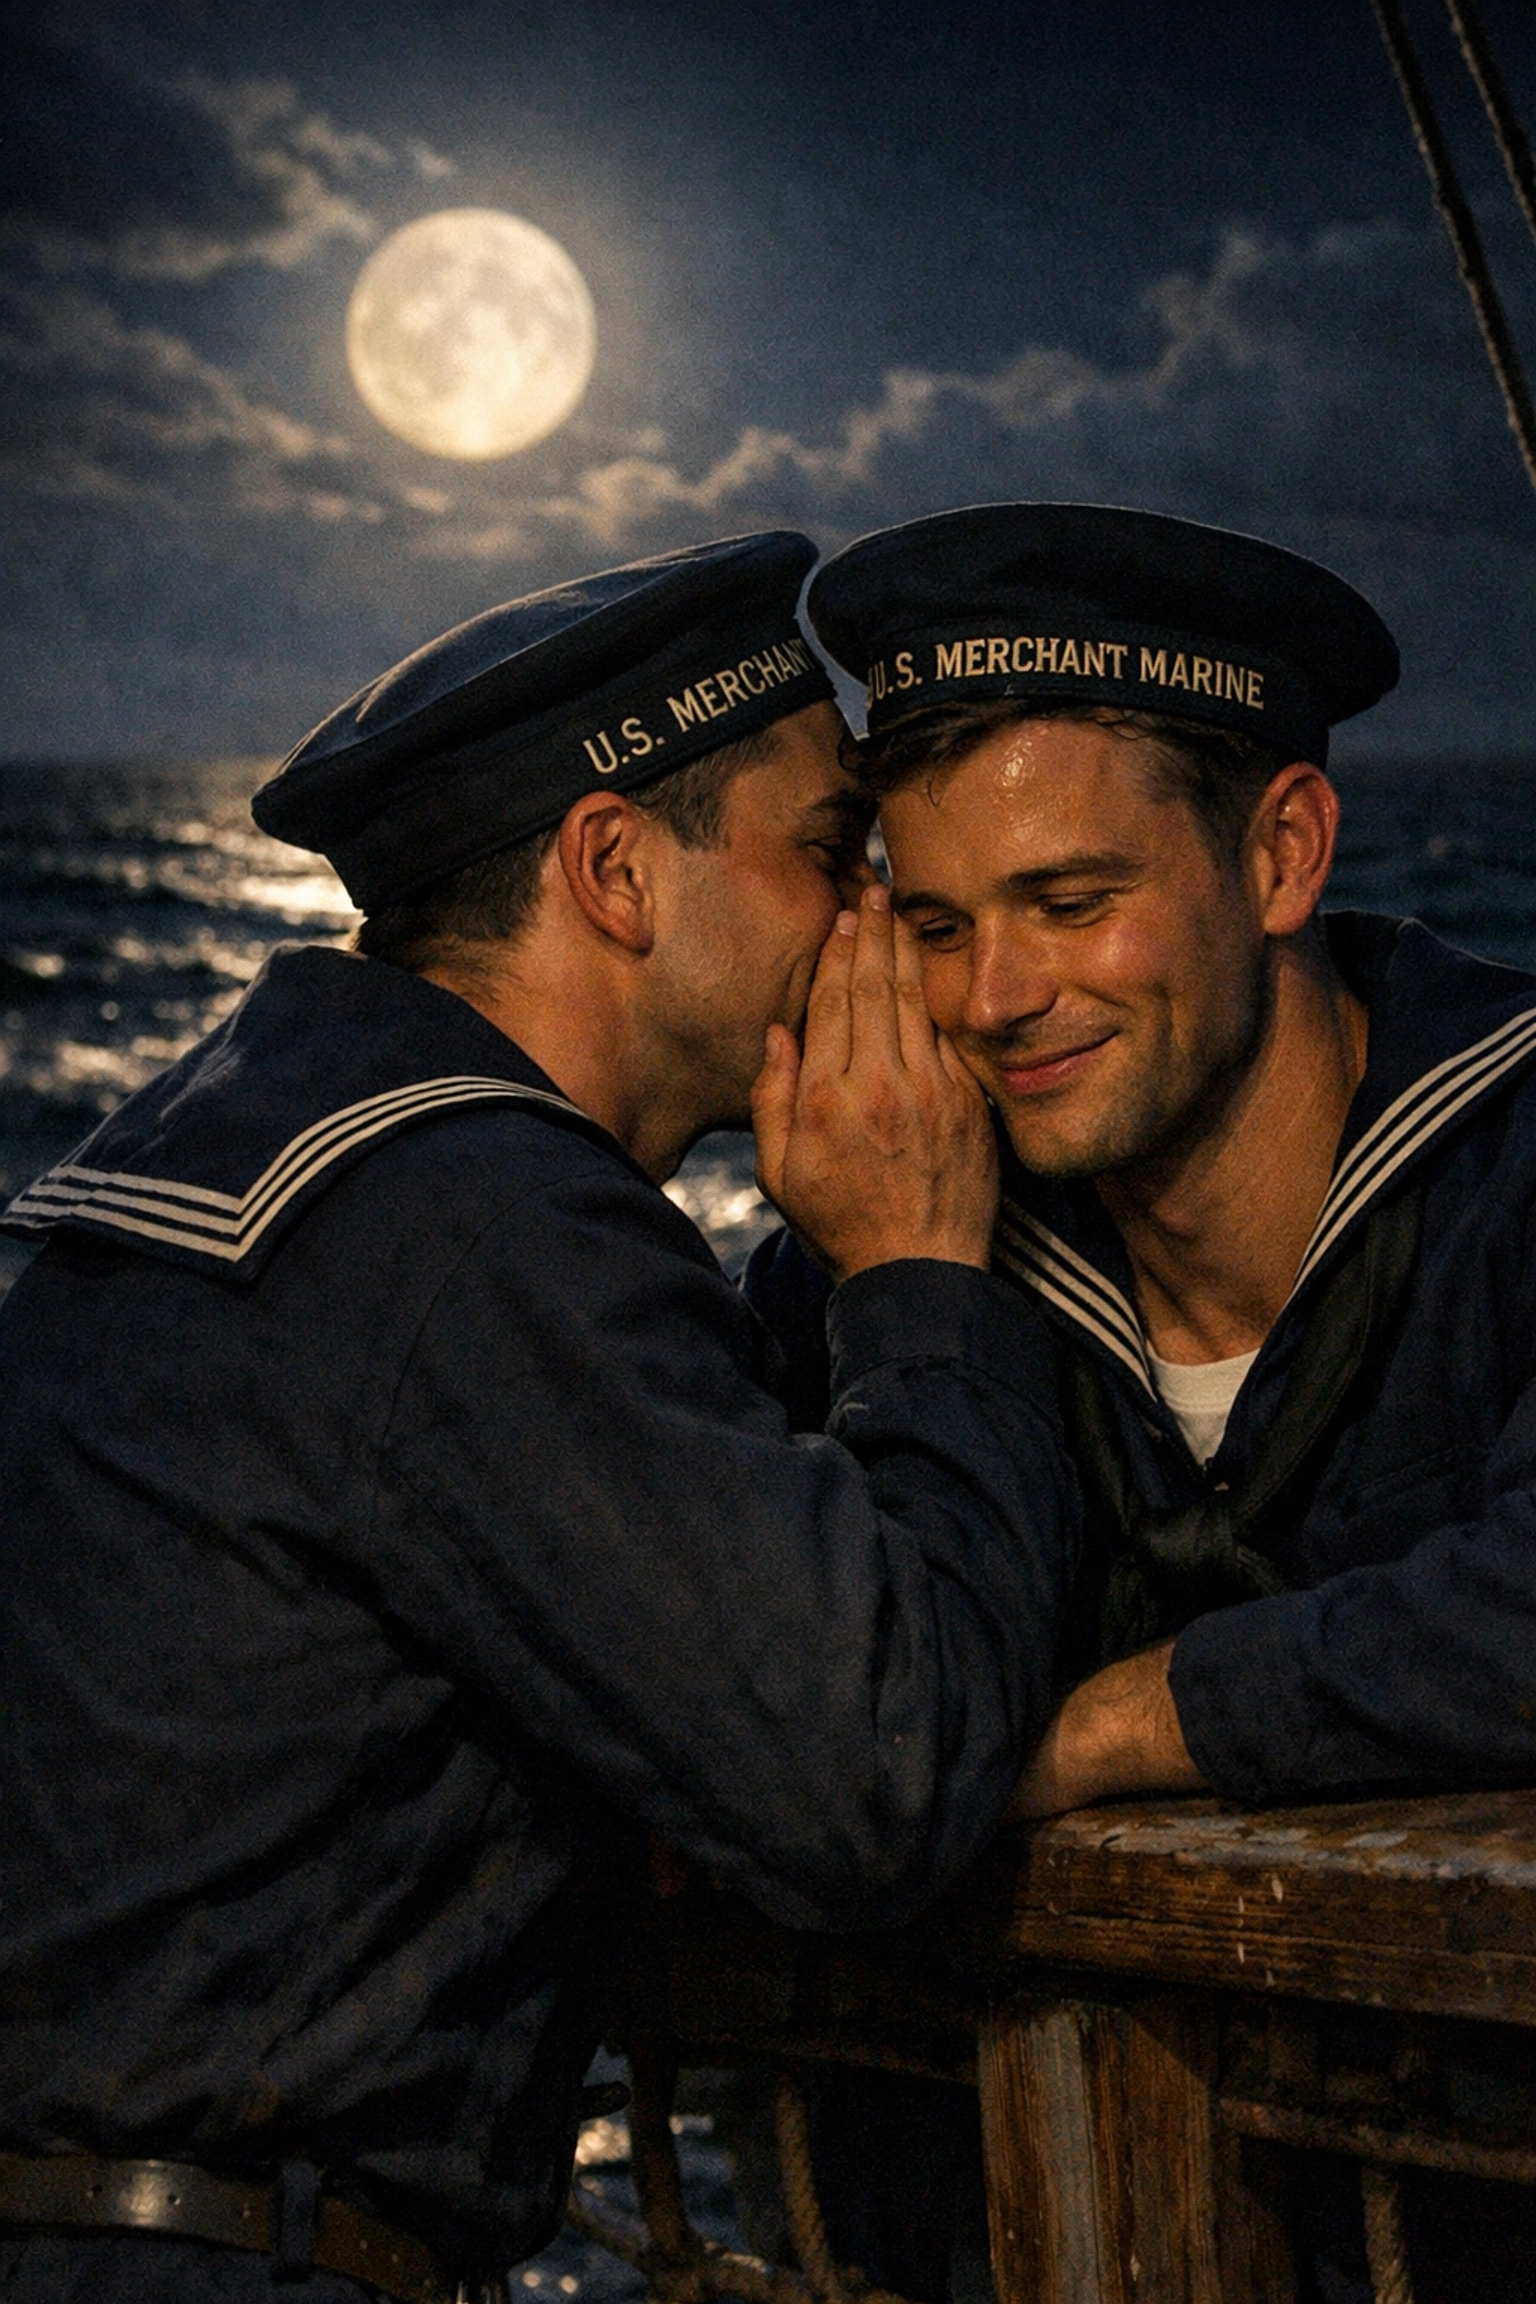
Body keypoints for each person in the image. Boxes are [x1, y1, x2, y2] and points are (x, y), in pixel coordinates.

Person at [0, 532, 1080, 2304]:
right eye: (829, 853)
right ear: (615, 871)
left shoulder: (231, 1149)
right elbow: (881, 1780)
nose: (874, 920)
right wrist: (915, 1269)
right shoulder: (475, 1220)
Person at [754, 499, 1536, 2301]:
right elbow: (749, 1674)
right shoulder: (902, 1255)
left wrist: (1122, 1724)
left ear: (1280, 855)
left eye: (1072, 903)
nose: (1000, 1000)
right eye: (936, 927)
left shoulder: (1517, 1158)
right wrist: (904, 1296)